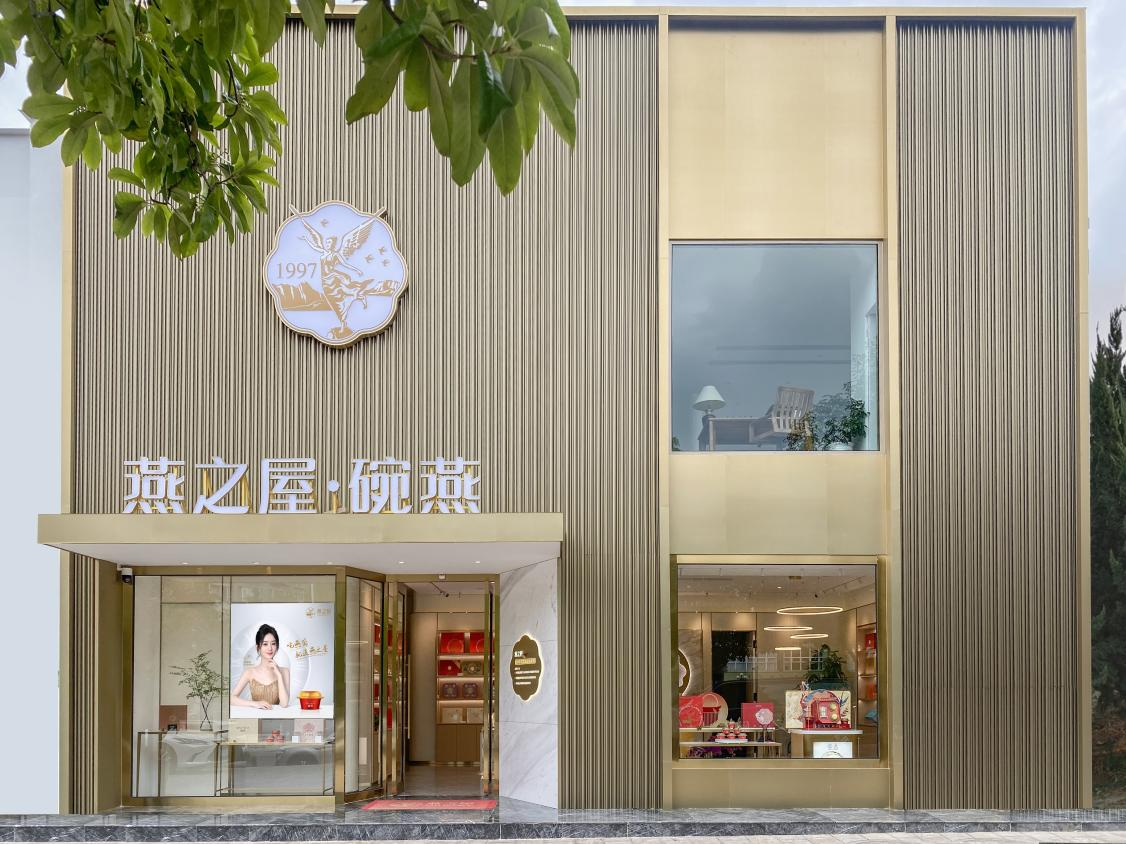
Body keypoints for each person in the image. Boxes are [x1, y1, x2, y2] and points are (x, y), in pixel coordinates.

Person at [232, 624, 290, 710]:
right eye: (265, 644)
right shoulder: (249, 672)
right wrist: (254, 704)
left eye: (273, 643)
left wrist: (279, 675)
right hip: (255, 717)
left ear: (277, 647)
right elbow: (231, 698)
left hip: (277, 716)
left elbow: (284, 704)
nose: (270, 648)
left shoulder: (284, 671)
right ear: (258, 647)